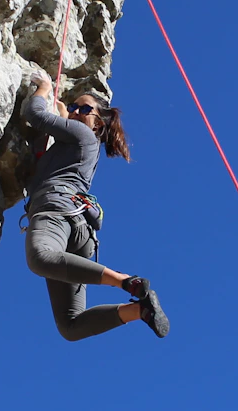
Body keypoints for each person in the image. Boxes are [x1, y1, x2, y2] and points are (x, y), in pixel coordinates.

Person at [22, 71, 171, 340]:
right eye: (73, 107)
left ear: (98, 123)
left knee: (40, 257)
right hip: (78, 228)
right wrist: (62, 116)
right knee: (71, 325)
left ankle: (126, 281)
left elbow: (35, 115)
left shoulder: (84, 135)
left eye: (85, 108)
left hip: (58, 210)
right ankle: (140, 311)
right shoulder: (75, 145)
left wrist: (44, 88)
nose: (77, 111)